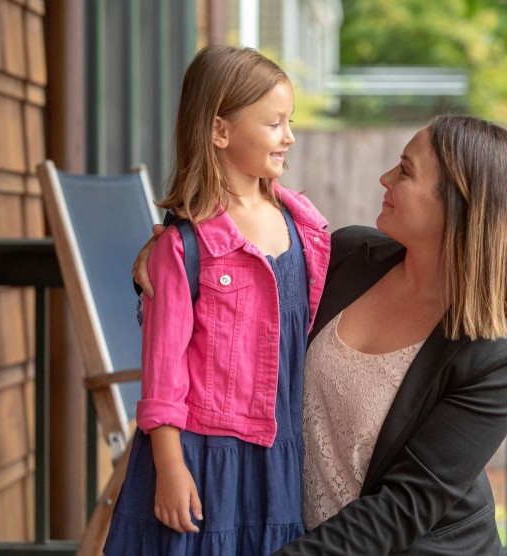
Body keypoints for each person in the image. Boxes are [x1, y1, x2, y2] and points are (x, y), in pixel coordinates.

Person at [134, 113, 507, 554]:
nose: (385, 178)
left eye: (405, 171)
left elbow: (404, 507)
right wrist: (170, 259)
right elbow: (231, 305)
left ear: (458, 204)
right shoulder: (347, 256)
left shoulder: (497, 360)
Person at [104, 45, 330, 556]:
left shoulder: (307, 231)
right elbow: (163, 373)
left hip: (280, 457)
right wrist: (169, 467)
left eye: (288, 122)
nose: (289, 137)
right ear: (220, 131)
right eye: (274, 124)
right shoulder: (181, 249)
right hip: (202, 461)